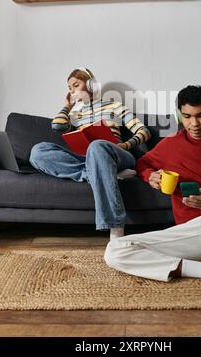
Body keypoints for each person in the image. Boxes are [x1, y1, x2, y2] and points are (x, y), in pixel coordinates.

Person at [104, 85, 201, 322]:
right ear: (179, 116)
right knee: (115, 251)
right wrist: (151, 177)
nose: (194, 124)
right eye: (187, 117)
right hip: (194, 232)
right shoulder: (171, 145)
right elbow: (143, 163)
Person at [29, 68, 151, 240]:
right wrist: (67, 105)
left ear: (90, 85)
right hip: (88, 159)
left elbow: (143, 131)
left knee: (97, 146)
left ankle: (115, 226)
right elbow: (56, 126)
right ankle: (105, 174)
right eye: (69, 87)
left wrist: (124, 145)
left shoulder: (114, 106)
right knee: (38, 151)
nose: (71, 90)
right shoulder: (75, 114)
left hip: (117, 154)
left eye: (75, 85)